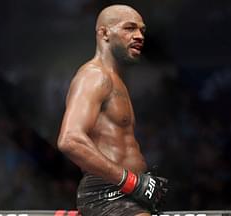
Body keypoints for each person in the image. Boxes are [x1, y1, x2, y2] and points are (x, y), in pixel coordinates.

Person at [57, 4, 168, 216]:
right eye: (130, 28)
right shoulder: (94, 76)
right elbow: (70, 139)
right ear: (104, 33)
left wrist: (137, 184)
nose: (139, 36)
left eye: (142, 30)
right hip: (107, 194)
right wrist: (132, 182)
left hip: (128, 194)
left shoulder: (116, 79)